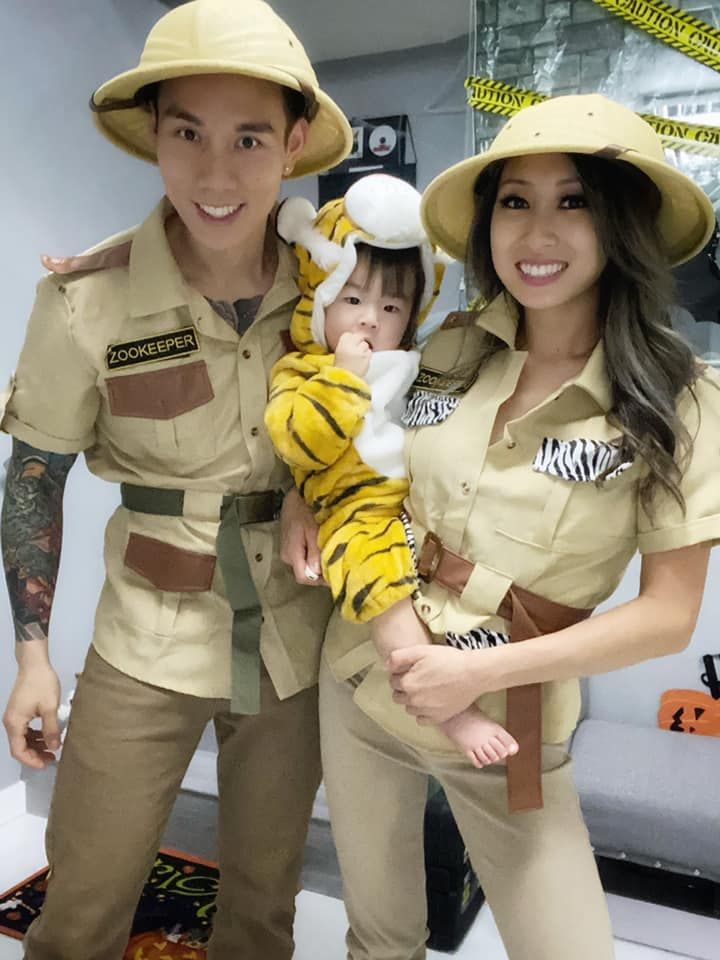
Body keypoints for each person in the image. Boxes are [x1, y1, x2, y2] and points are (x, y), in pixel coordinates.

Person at [314, 94, 720, 960]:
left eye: (573, 200)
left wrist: (483, 674)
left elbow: (668, 617)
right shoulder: (456, 345)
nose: (538, 233)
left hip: (507, 718)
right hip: (362, 676)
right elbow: (344, 430)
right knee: (379, 936)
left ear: (625, 221)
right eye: (514, 200)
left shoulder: (682, 400)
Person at [0, 1, 351, 958]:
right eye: (187, 133)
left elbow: (392, 431)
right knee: (82, 902)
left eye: (248, 138)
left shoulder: (342, 292)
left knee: (263, 905)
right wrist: (34, 654)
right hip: (144, 635)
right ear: (153, 136)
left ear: (293, 144)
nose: (215, 172)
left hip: (292, 634)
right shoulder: (87, 299)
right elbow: (36, 472)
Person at [266, 173, 518, 767]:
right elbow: (298, 440)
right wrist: (343, 379)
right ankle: (448, 710)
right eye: (350, 299)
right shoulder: (303, 369)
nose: (369, 320)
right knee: (384, 595)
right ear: (320, 296)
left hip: (418, 508)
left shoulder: (413, 361)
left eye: (391, 305)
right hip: (355, 512)